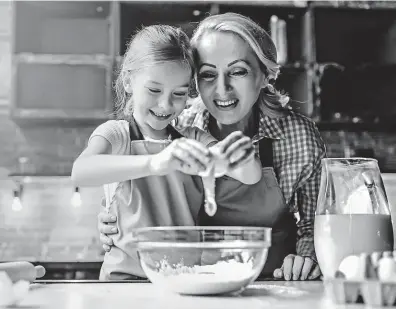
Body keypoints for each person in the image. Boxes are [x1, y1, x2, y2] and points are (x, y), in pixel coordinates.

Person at [98, 13, 327, 281]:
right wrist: (112, 220)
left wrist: (306, 258)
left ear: (265, 75)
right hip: (197, 282)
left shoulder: (298, 136)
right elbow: (143, 196)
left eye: (238, 71)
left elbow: (315, 225)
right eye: (208, 74)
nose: (222, 89)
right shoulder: (178, 126)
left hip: (273, 282)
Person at [71, 24, 261, 280]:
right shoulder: (118, 134)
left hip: (184, 279)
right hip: (124, 280)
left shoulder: (192, 139)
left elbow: (251, 176)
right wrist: (153, 164)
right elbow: (80, 172)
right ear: (128, 81)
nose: (165, 104)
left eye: (179, 94)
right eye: (154, 90)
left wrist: (235, 160)